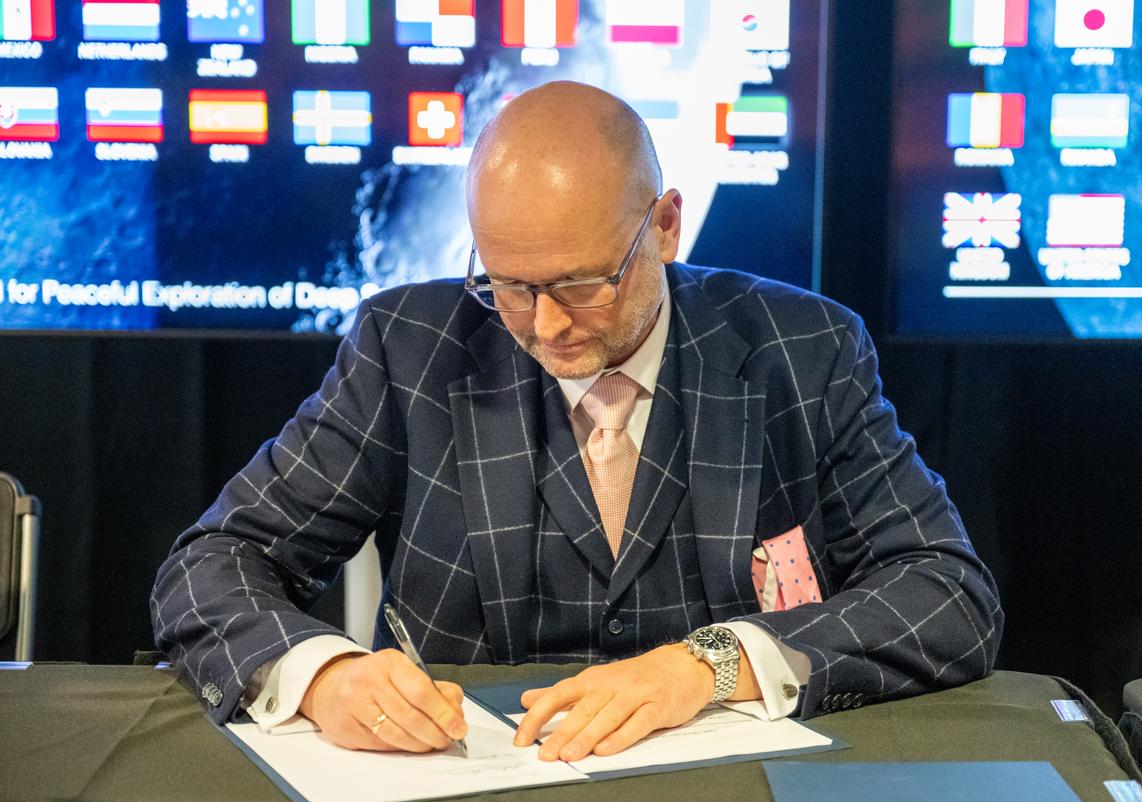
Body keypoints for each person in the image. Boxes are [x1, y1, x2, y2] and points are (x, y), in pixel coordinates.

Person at [151, 81, 1002, 761]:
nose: (545, 326)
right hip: (464, 792)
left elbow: (946, 592)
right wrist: (324, 675)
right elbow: (214, 563)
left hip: (727, 792)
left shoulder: (803, 350)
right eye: (510, 286)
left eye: (582, 284)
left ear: (665, 227)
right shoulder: (407, 348)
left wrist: (707, 665)